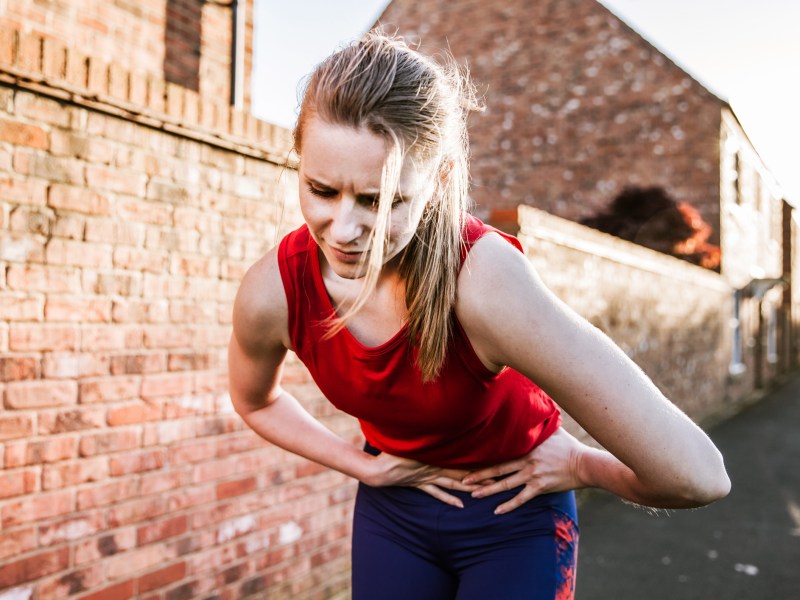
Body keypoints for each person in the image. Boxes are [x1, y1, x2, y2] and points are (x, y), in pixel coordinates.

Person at [228, 32, 730, 600]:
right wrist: (361, 465)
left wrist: (586, 467)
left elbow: (696, 475)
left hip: (516, 520)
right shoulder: (275, 289)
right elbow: (256, 399)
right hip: (393, 514)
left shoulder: (485, 282)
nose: (344, 231)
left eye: (380, 200)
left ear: (439, 181)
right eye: (321, 190)